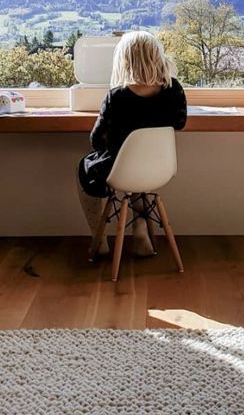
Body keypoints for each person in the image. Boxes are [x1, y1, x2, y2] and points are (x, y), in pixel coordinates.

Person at [77, 31, 187, 257]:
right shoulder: (173, 89)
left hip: (122, 169)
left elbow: (96, 141)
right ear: (157, 56)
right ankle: (139, 230)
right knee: (136, 173)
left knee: (85, 168)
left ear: (125, 61)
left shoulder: (117, 97)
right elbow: (180, 123)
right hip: (158, 167)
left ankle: (100, 239)